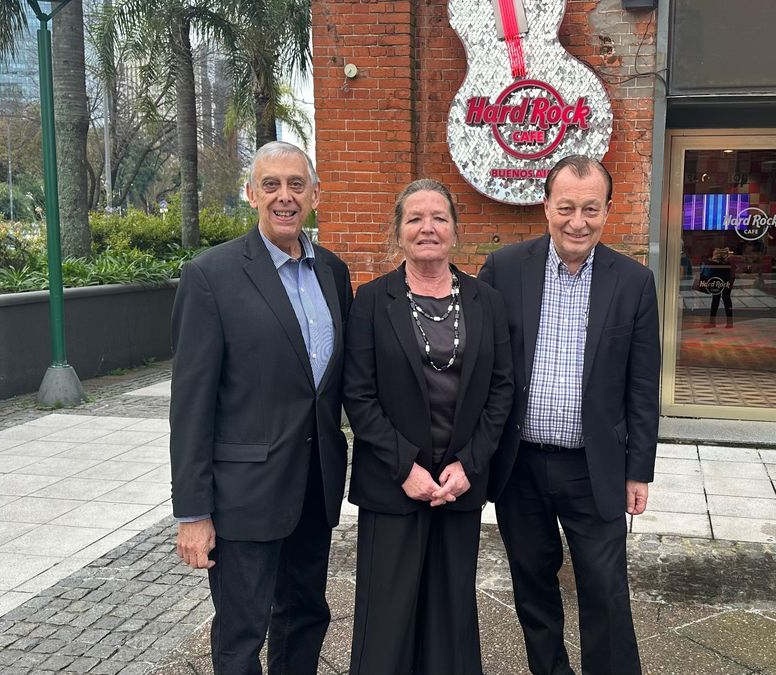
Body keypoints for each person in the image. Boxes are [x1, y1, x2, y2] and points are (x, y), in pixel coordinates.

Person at [169, 141, 353, 674]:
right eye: (271, 184)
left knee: (305, 617)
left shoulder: (333, 274)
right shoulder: (211, 276)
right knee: (241, 633)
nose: (284, 196)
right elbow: (191, 405)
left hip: (315, 489)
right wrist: (193, 513)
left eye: (296, 185)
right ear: (251, 193)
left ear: (315, 194)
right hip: (245, 498)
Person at [478, 155, 661, 675]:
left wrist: (638, 470)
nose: (577, 221)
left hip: (594, 467)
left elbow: (643, 386)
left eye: (589, 209)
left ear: (608, 210)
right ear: (546, 207)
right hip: (521, 466)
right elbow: (483, 368)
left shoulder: (633, 283)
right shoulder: (504, 269)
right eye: (566, 208)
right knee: (532, 584)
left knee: (605, 590)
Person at [343, 178, 514, 675]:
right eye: (415, 218)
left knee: (451, 613)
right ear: (399, 233)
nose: (427, 228)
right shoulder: (372, 302)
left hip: (459, 485)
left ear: (456, 232)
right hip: (393, 486)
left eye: (439, 217)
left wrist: (470, 463)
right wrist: (405, 467)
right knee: (388, 618)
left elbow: (502, 390)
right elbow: (359, 394)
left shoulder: (487, 301)